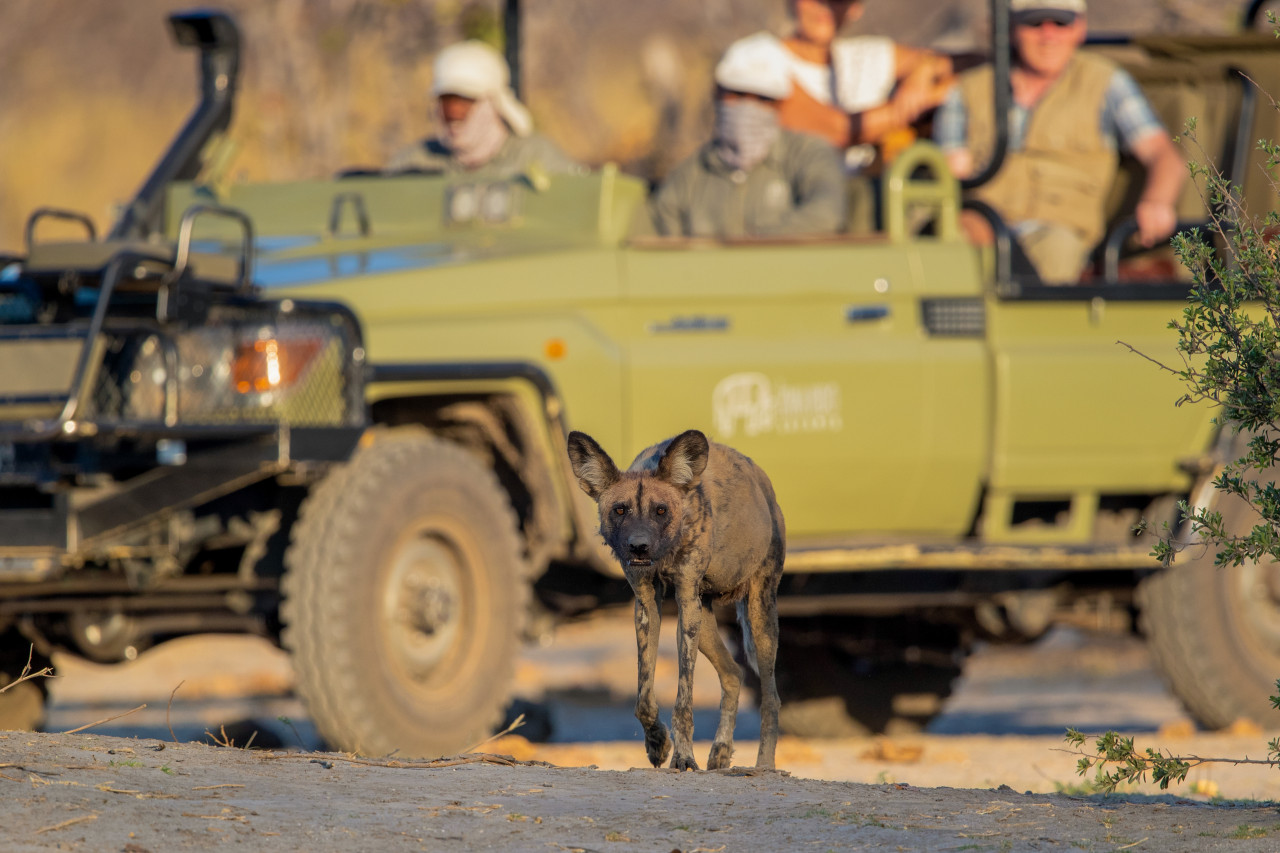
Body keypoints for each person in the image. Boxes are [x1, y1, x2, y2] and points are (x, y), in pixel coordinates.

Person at [933, 0, 1186, 284]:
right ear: (1013, 29)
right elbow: (950, 171)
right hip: (983, 227)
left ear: (1079, 28)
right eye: (1035, 23)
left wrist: (1157, 202)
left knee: (1052, 263)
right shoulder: (969, 89)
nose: (1048, 35)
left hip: (1059, 231)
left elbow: (1164, 155)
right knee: (941, 250)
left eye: (1060, 23)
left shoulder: (1105, 82)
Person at [648, 36, 846, 239]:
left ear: (780, 104)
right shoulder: (689, 175)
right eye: (738, 94)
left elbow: (826, 214)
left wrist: (750, 247)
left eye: (763, 98)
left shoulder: (808, 154)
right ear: (717, 93)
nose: (748, 107)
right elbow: (660, 234)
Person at [771, 0, 956, 172]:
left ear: (855, 7)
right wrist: (909, 108)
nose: (825, 5)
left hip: (861, 197)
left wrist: (922, 72)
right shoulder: (759, 58)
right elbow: (838, 130)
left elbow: (949, 67)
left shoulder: (864, 55)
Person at [388, 40, 578, 179]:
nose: (454, 116)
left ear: (493, 104)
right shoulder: (413, 164)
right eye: (446, 104)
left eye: (464, 104)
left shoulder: (537, 158)